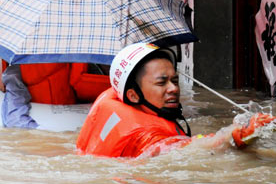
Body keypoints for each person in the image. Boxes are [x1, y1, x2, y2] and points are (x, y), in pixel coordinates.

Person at [76, 43, 275, 158]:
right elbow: (181, 151)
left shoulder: (112, 98)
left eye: (175, 80)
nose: (174, 89)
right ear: (133, 95)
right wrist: (233, 135)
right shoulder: (145, 135)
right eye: (162, 83)